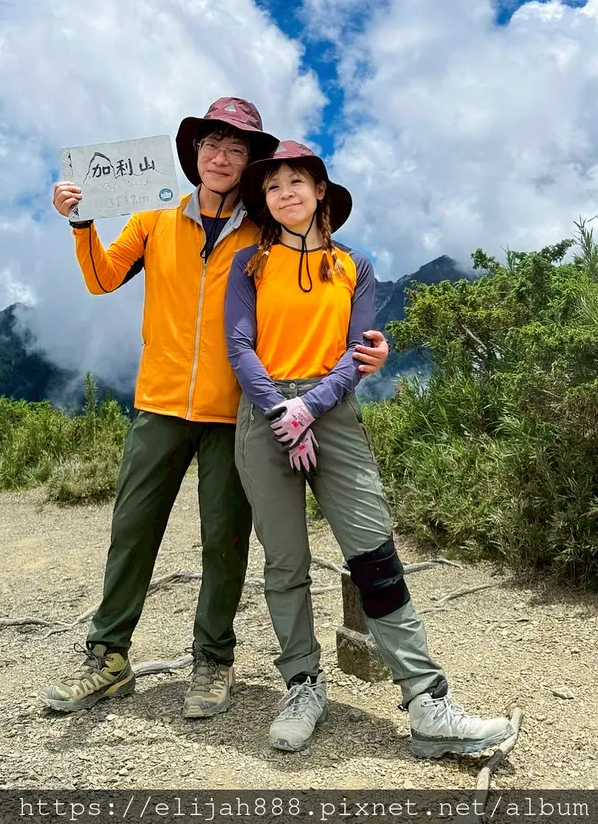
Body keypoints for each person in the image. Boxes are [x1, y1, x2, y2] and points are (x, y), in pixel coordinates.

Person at [41, 103, 390, 719]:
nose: (222, 157)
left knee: (223, 541)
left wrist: (365, 346)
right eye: (212, 144)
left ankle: (213, 661)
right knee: (132, 533)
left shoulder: (263, 233)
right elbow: (101, 279)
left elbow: (314, 291)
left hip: (234, 411)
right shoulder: (155, 215)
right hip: (159, 403)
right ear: (194, 152)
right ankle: (108, 657)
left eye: (236, 148)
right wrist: (80, 223)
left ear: (251, 161)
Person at [225, 141, 514, 757]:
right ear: (265, 201)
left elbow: (360, 353)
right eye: (273, 187)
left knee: (374, 554)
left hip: (329, 414)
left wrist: (310, 408)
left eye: (297, 181)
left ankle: (426, 703)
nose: (286, 194)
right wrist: (283, 410)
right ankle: (302, 684)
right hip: (265, 415)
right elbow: (240, 348)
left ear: (321, 190)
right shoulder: (248, 264)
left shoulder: (354, 266)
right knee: (285, 561)